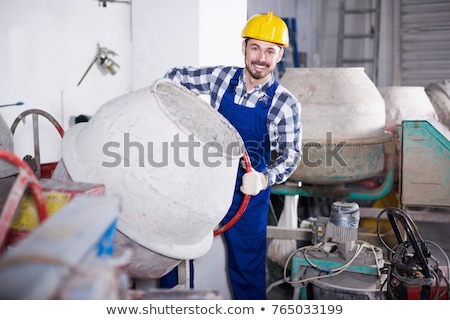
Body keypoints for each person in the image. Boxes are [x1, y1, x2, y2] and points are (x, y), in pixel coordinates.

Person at [163, 10, 302, 299]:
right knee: (173, 245)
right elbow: (173, 77)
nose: (261, 58)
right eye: (255, 48)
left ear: (279, 56)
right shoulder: (220, 78)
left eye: (269, 51)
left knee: (247, 269)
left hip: (249, 193)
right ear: (244, 48)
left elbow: (292, 155)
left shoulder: (285, 104)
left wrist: (264, 179)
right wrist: (182, 117)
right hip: (209, 181)